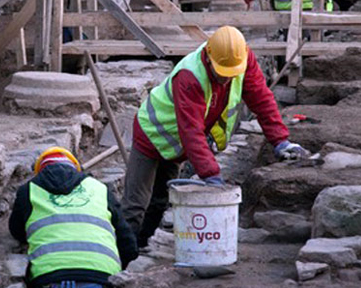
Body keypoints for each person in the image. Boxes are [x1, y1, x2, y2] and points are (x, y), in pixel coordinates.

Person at [122, 26, 311, 248]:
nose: (226, 79)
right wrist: (211, 174)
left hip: (177, 145)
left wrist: (280, 140)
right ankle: (124, 258)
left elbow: (261, 98)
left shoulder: (240, 59)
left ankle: (144, 247)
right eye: (222, 73)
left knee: (160, 201)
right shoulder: (190, 76)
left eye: (231, 73)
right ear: (209, 58)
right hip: (151, 134)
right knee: (135, 205)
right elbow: (191, 130)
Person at [9, 147, 138, 288]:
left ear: (39, 171)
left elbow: (17, 231)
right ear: (76, 169)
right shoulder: (99, 188)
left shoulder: (28, 191)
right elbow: (128, 243)